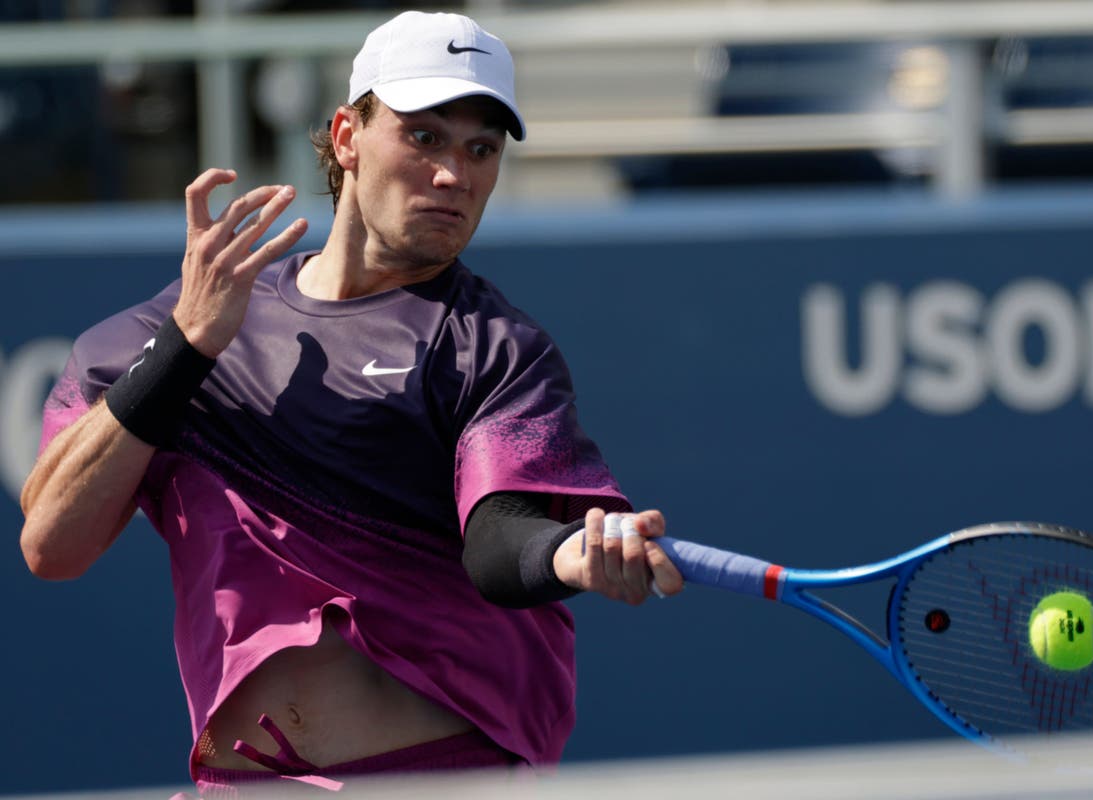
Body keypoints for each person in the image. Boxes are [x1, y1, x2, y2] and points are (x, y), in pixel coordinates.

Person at [19, 10, 683, 796]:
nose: (454, 175)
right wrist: (187, 345)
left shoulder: (496, 349)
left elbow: (501, 542)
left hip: (434, 781)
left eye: (481, 150)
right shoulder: (173, 328)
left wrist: (571, 554)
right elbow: (51, 546)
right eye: (425, 138)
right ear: (346, 136)